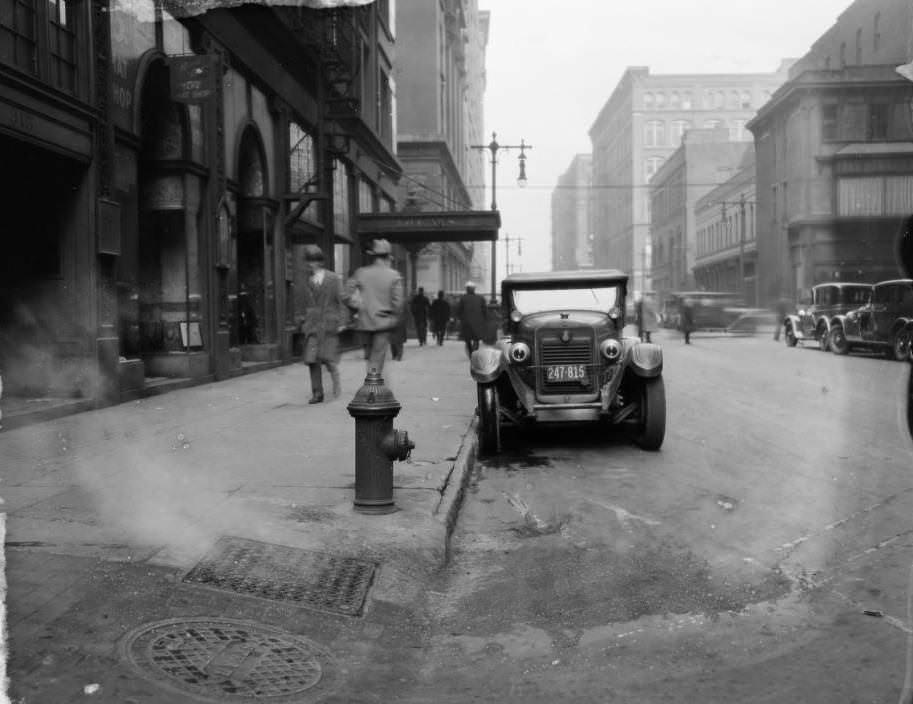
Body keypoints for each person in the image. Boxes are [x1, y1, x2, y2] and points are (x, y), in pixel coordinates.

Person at [345, 238, 404, 375]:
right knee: (377, 357)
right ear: (388, 256)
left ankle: (374, 386)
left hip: (364, 322)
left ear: (372, 256)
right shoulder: (394, 275)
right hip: (384, 322)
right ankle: (373, 390)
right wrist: (394, 317)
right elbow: (398, 302)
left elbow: (346, 295)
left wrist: (357, 306)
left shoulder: (361, 273)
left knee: (371, 357)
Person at [299, 245, 346, 404]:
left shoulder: (333, 278)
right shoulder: (308, 280)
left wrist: (342, 321)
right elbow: (306, 303)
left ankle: (336, 384)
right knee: (312, 359)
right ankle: (317, 393)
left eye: (314, 261)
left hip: (329, 325)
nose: (311, 264)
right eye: (309, 261)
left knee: (327, 359)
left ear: (320, 261)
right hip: (312, 325)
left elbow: (342, 300)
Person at [455, 281, 488, 357]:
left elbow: (459, 310)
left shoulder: (463, 298)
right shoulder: (480, 298)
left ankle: (471, 353)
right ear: (474, 289)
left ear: (467, 289)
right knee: (476, 339)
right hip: (478, 322)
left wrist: (459, 318)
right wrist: (485, 319)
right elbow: (485, 310)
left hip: (466, 322)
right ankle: (474, 352)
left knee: (468, 339)